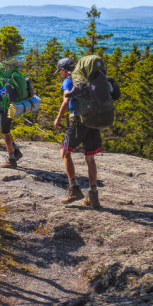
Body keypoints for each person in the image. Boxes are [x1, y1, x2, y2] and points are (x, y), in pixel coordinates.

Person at [52, 57, 102, 209]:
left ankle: (74, 189)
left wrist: (58, 118)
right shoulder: (89, 78)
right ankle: (93, 195)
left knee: (65, 153)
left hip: (78, 121)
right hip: (93, 119)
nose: (60, 74)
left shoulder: (69, 80)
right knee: (90, 157)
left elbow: (66, 101)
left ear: (63, 70)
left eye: (59, 71)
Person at [0, 79, 23, 169]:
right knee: (5, 128)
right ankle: (16, 150)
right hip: (13, 106)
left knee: (5, 132)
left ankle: (11, 160)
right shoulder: (6, 75)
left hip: (3, 108)